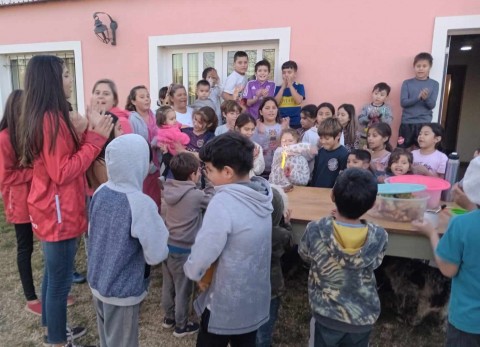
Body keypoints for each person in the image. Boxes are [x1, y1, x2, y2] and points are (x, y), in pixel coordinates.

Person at [20, 55, 113, 347]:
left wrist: (87, 130)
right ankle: (58, 341)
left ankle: (52, 331)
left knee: (52, 275)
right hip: (58, 210)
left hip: (53, 207)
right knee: (59, 282)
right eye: (65, 74)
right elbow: (63, 171)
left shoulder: (49, 116)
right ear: (51, 81)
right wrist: (95, 139)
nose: (70, 80)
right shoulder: (51, 121)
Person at [183, 132, 273, 347]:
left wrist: (193, 271)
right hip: (253, 297)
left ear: (227, 172)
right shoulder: (263, 196)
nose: (206, 174)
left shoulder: (222, 202)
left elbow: (206, 248)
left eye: (209, 170)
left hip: (224, 300)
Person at [88, 134, 169, 347]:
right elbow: (156, 253)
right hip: (122, 290)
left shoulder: (100, 191)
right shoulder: (141, 203)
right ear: (140, 163)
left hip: (98, 280)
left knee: (107, 339)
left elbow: (92, 232)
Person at [299, 168, 388, 347]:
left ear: (332, 196)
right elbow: (376, 262)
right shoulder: (379, 235)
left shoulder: (315, 229)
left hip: (326, 314)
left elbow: (305, 254)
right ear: (371, 204)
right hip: (362, 316)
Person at [412, 156, 480, 347]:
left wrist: (431, 232)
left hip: (469, 320)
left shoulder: (462, 224)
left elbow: (448, 269)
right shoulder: (465, 222)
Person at [161, 152, 215, 337]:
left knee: (168, 285)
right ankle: (181, 325)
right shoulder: (195, 195)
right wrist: (209, 182)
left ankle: (169, 317)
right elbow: (211, 199)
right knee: (183, 289)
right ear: (193, 175)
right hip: (184, 249)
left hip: (167, 245)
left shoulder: (168, 188)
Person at [0, 90, 40, 316]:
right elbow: (5, 177)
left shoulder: (28, 133)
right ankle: (31, 297)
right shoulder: (5, 137)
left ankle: (52, 292)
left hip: (35, 198)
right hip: (19, 203)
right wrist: (33, 172)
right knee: (25, 247)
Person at [256, 185, 292, 347]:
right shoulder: (279, 234)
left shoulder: (246, 230)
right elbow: (289, 242)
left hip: (247, 286)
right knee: (265, 328)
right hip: (271, 287)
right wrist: (287, 223)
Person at [127, 85, 162, 210]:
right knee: (143, 202)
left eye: (148, 96)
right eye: (142, 97)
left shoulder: (155, 115)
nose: (147, 99)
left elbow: (163, 132)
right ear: (133, 101)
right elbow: (133, 144)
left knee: (156, 201)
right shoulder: (131, 119)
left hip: (157, 165)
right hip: (142, 168)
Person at [399, 52, 439, 149]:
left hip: (424, 123)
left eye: (424, 66)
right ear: (414, 66)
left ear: (430, 67)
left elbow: (431, 105)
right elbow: (403, 103)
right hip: (407, 123)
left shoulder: (434, 84)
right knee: (402, 152)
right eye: (418, 66)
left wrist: (425, 99)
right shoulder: (407, 83)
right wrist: (418, 97)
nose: (421, 68)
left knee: (421, 151)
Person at [86, 114, 124, 191]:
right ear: (110, 132)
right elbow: (111, 191)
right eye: (119, 128)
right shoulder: (100, 164)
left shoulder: (107, 158)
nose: (122, 132)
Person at [252, 97, 288, 177]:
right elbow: (254, 147)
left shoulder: (283, 127)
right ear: (261, 112)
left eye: (274, 108)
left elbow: (287, 147)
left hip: (279, 171)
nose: (271, 110)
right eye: (267, 108)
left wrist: (283, 131)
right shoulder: (256, 127)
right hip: (259, 171)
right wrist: (260, 133)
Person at [310, 118, 349, 188]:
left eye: (327, 138)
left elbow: (344, 177)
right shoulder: (320, 152)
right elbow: (315, 173)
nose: (323, 141)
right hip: (316, 191)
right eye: (321, 138)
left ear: (338, 135)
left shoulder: (344, 154)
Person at [358, 82, 393, 149]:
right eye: (376, 93)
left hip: (380, 137)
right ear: (372, 93)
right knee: (363, 154)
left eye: (382, 95)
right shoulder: (366, 107)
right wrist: (369, 117)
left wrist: (381, 117)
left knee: (378, 154)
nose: (378, 96)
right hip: (365, 136)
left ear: (386, 97)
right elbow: (360, 120)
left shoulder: (387, 108)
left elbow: (389, 121)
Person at [274, 60, 305, 128]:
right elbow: (275, 103)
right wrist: (283, 88)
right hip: (281, 122)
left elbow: (299, 101)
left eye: (289, 72)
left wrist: (290, 86)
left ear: (295, 74)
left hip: (296, 122)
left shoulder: (299, 86)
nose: (286, 75)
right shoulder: (277, 88)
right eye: (284, 72)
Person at [234, 113, 265, 177]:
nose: (250, 133)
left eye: (252, 129)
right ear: (237, 129)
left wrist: (254, 158)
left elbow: (258, 171)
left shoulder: (256, 147)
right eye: (246, 129)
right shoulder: (229, 146)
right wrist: (249, 157)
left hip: (250, 182)